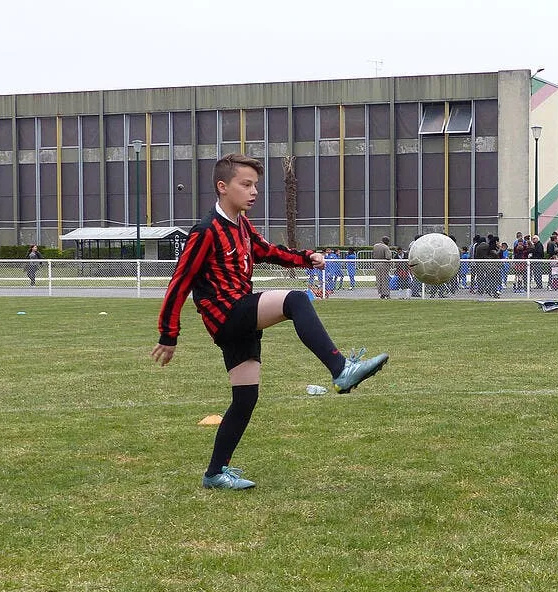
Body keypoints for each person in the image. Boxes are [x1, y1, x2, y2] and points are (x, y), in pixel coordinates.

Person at [152, 153, 388, 490]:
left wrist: (307, 259)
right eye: (245, 185)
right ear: (222, 187)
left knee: (245, 398)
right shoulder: (205, 231)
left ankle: (215, 473)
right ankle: (341, 370)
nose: (253, 192)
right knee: (295, 300)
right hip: (228, 315)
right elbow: (180, 281)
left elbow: (270, 252)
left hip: (240, 320)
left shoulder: (243, 227)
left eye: (255, 186)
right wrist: (168, 334)